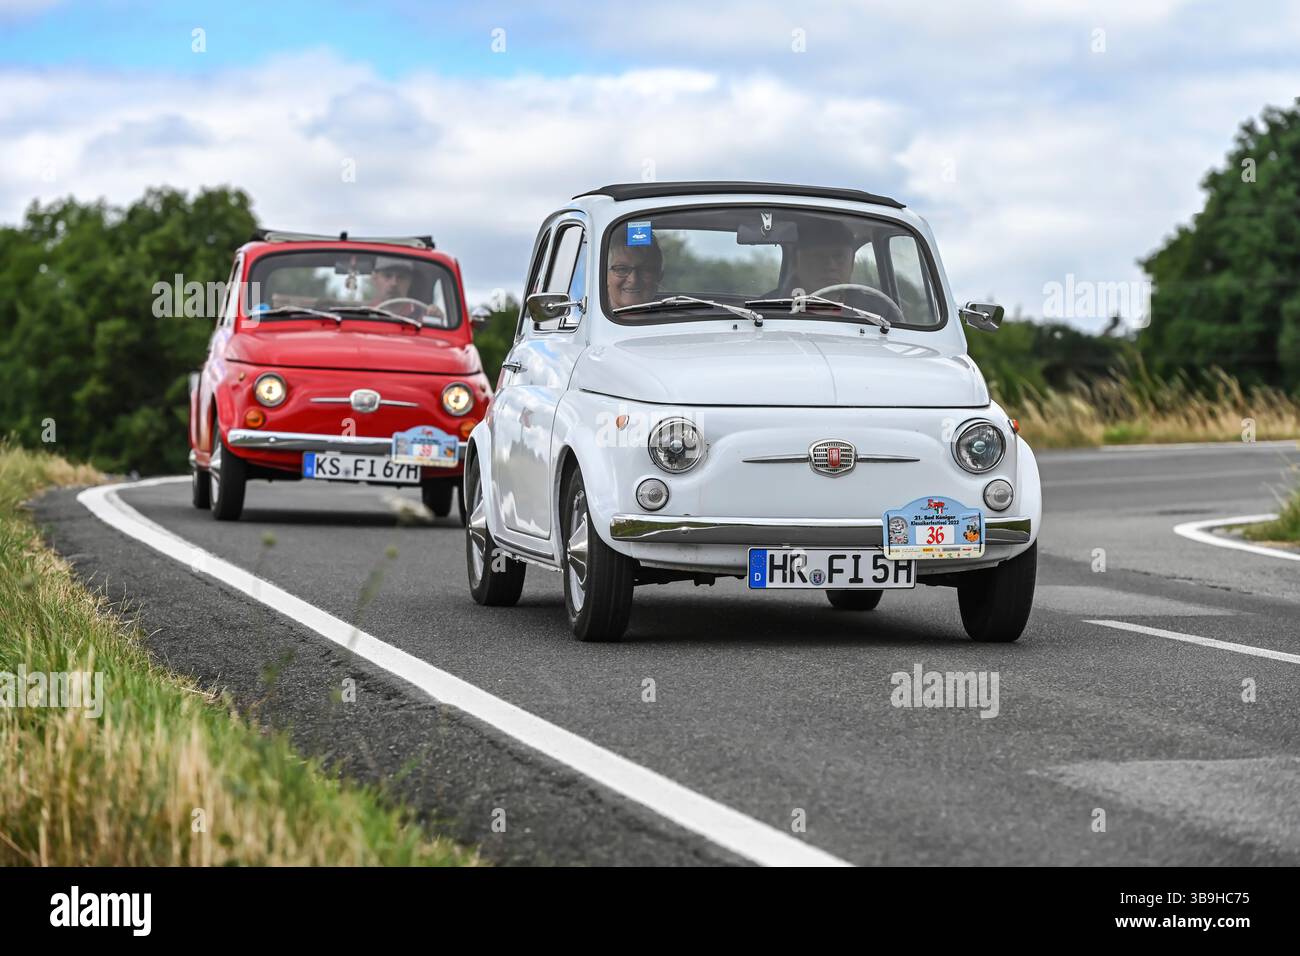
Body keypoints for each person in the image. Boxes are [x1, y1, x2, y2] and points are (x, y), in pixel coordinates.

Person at [606, 238, 663, 310]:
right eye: (622, 269)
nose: (633, 280)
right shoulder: (590, 318)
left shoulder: (674, 321)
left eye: (644, 269)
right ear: (605, 276)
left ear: (659, 276)